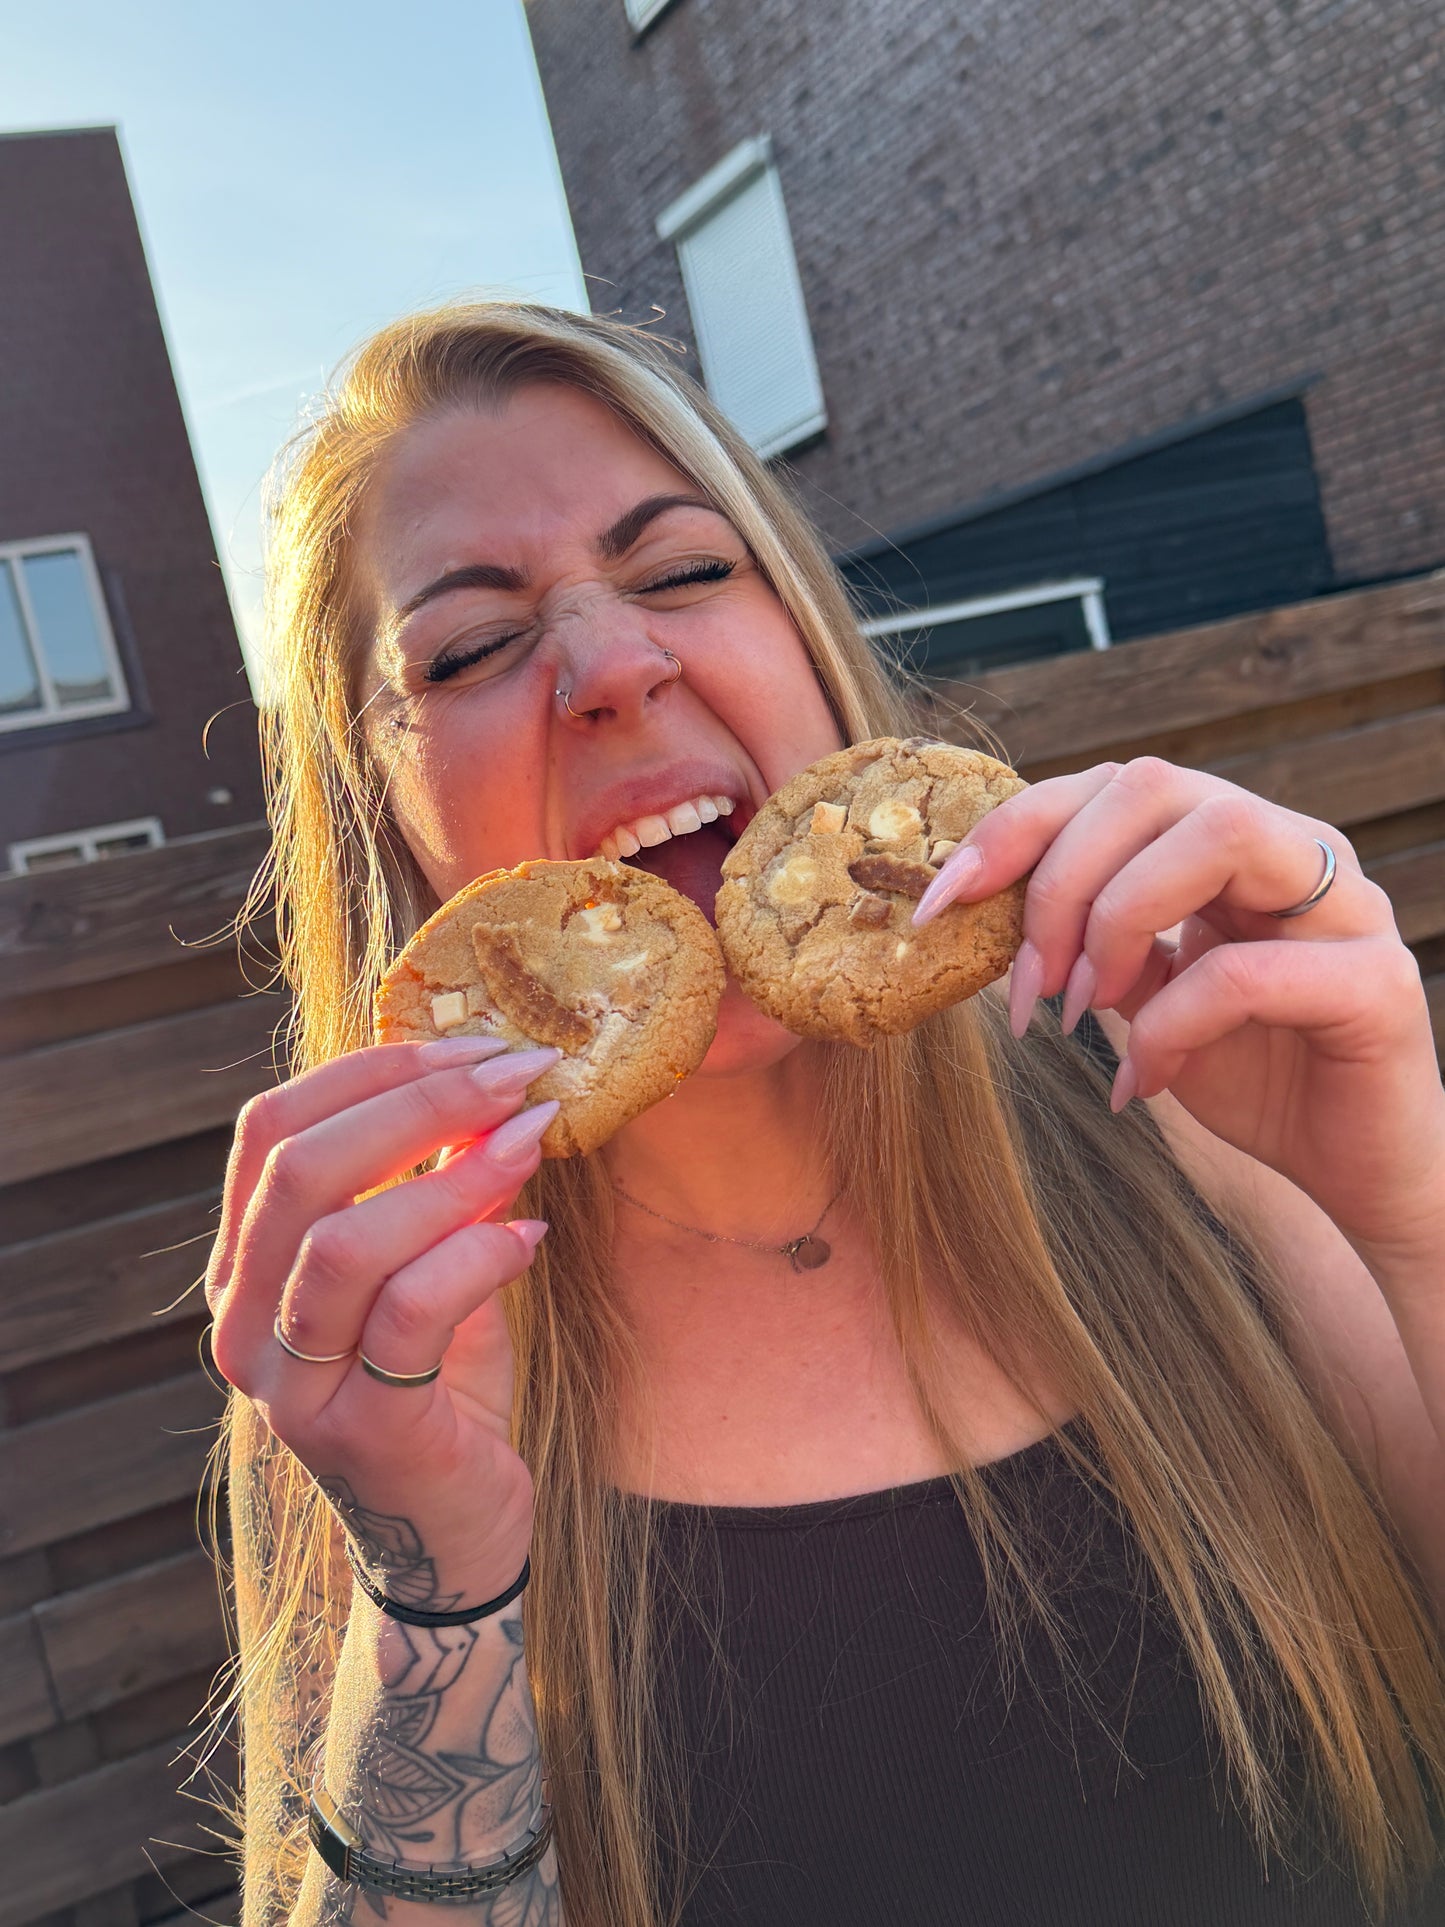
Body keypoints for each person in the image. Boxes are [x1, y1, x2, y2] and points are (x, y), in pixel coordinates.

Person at [204, 301, 1445, 1927]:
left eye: (681, 571)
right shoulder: (378, 1352)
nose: (612, 663)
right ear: (386, 815)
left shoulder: (1181, 1102)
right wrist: (439, 1592)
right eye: (466, 648)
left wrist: (1409, 1212)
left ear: (814, 651)